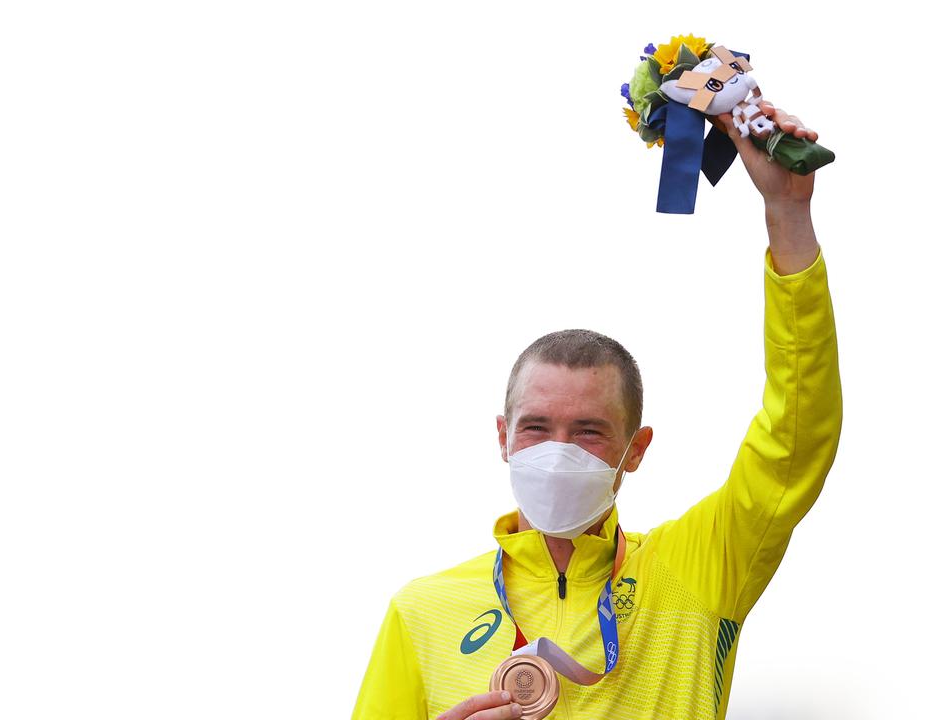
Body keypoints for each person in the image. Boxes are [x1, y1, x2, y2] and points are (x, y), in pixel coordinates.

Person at [353, 102, 843, 720]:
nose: (557, 450)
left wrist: (787, 213)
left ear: (634, 449)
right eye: (536, 427)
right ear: (503, 436)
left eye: (588, 431)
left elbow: (797, 431)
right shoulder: (420, 609)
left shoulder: (701, 567)